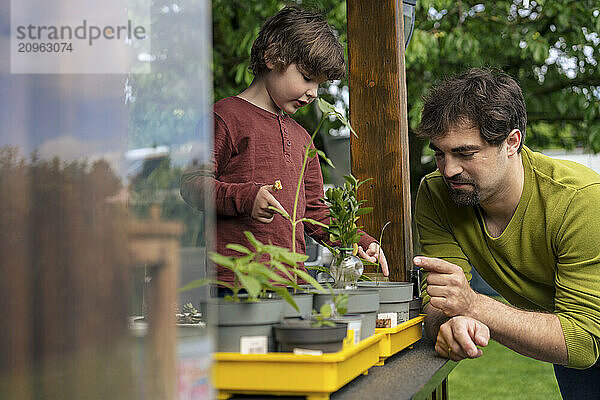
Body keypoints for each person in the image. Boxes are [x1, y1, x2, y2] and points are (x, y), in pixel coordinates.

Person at [413, 68, 600, 399]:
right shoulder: (437, 195)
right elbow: (442, 298)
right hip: (569, 335)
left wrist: (474, 307)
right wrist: (451, 324)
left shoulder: (580, 199)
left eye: (465, 153)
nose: (449, 169)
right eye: (440, 153)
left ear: (512, 142)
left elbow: (582, 341)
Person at [180, 6, 388, 289]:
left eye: (319, 84)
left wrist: (357, 240)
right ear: (272, 56)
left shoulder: (303, 136)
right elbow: (192, 184)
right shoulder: (224, 117)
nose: (313, 92)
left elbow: (315, 211)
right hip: (235, 283)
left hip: (294, 284)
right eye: (306, 76)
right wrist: (246, 197)